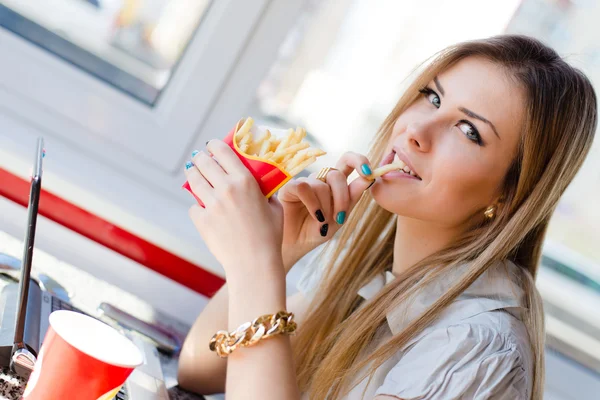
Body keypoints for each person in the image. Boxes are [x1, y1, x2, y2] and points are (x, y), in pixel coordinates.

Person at [176, 34, 597, 400]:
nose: (417, 129)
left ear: (509, 196)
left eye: (469, 131)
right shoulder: (371, 271)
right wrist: (280, 252)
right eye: (432, 97)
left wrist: (255, 268)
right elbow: (199, 370)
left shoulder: (480, 348)